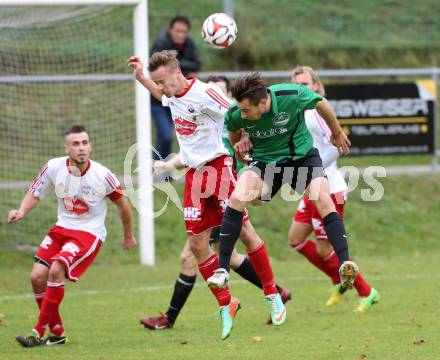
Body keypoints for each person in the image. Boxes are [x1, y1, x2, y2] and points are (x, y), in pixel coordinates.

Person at [128, 51, 286, 340]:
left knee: (246, 232)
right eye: (157, 83)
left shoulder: (206, 93)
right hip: (194, 175)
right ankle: (228, 303)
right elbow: (161, 96)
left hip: (219, 166)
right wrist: (141, 78)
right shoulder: (171, 94)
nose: (161, 87)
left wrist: (247, 136)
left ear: (178, 73)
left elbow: (235, 113)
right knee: (197, 244)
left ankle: (273, 293)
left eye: (163, 81)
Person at [209, 72, 359, 293]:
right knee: (237, 197)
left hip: (301, 158)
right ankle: (222, 271)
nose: (242, 114)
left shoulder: (291, 95)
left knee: (322, 198)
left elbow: (321, 103)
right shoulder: (236, 113)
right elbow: (233, 131)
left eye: (247, 111)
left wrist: (336, 133)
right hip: (266, 162)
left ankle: (345, 263)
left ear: (262, 102)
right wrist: (240, 144)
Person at [8, 125, 136, 348]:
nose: (81, 148)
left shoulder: (103, 175)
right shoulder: (53, 167)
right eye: (76, 144)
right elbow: (35, 192)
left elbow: (123, 205)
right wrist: (21, 211)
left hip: (88, 233)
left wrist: (128, 236)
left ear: (91, 146)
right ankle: (57, 334)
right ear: (67, 148)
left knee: (56, 269)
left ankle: (37, 332)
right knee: (37, 277)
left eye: (85, 143)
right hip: (61, 228)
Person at [289, 66, 379, 312]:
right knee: (295, 239)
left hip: (328, 188)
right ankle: (338, 281)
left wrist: (310, 171)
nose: (301, 88)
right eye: (297, 84)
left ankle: (367, 291)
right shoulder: (297, 111)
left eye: (306, 84)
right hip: (310, 187)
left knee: (325, 248)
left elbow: (338, 146)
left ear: (316, 86)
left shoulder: (318, 109)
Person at [151, 15, 202, 160]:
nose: (181, 35)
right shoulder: (161, 42)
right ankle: (158, 167)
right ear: (170, 30)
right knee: (166, 135)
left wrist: (175, 64)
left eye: (184, 32)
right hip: (159, 101)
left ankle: (160, 168)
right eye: (178, 31)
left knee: (184, 135)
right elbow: (156, 66)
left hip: (181, 98)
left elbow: (197, 64)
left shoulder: (190, 43)